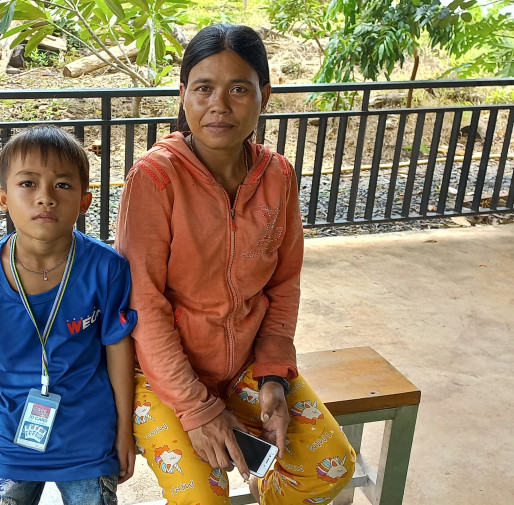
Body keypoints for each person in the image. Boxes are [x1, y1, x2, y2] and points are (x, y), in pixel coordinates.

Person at [114, 24, 356, 504]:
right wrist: (197, 409)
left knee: (330, 466)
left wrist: (273, 376)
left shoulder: (278, 176)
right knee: (204, 498)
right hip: (161, 378)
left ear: (265, 95)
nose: (219, 105)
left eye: (239, 89)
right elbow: (143, 301)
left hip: (245, 366)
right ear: (183, 94)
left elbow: (283, 285)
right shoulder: (155, 178)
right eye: (203, 88)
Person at [0, 126, 137, 505]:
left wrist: (124, 431)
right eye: (28, 183)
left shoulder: (107, 268)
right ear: (2, 198)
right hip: (4, 441)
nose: (45, 197)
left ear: (85, 201)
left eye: (62, 185)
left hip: (88, 441)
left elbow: (118, 349)